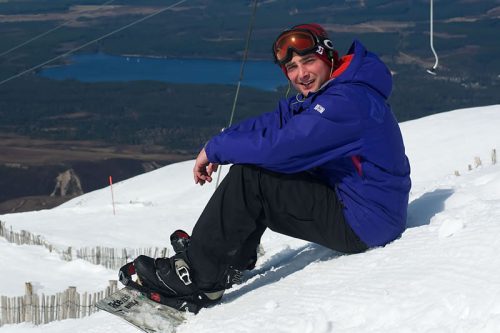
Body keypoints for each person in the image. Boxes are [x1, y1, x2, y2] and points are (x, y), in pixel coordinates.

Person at [121, 23, 411, 313]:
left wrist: (217, 151)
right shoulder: (337, 86)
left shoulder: (346, 102)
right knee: (258, 166)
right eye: (292, 67)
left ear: (328, 56)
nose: (301, 74)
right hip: (363, 206)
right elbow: (278, 120)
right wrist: (217, 142)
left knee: (253, 177)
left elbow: (281, 147)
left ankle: (199, 277)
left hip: (364, 223)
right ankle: (228, 256)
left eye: (308, 61)